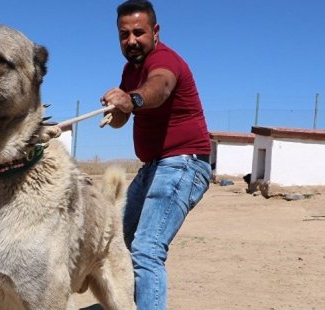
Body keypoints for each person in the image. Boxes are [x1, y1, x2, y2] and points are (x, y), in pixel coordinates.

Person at [100, 1, 212, 309]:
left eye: (139, 32)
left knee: (147, 248)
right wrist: (116, 106)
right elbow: (124, 116)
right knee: (116, 242)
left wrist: (131, 98)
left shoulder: (164, 60)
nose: (132, 40)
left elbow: (158, 88)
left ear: (155, 31)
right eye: (124, 34)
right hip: (154, 167)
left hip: (184, 163)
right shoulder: (130, 70)